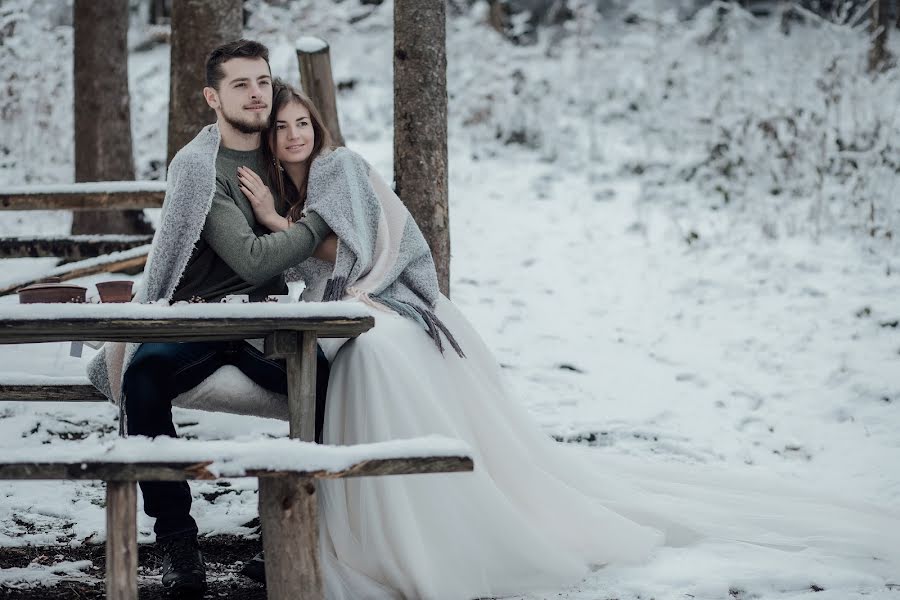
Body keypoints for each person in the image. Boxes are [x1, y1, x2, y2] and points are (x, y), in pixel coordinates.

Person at [239, 80, 900, 599]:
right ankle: (359, 518)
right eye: (283, 127)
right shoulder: (284, 186)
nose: (296, 135)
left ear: (318, 128)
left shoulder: (341, 166)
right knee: (351, 350)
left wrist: (275, 224)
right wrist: (270, 230)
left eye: (303, 123)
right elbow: (297, 263)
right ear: (268, 139)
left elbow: (356, 247)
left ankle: (414, 527)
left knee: (373, 352)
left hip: (388, 298)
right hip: (344, 305)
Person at [87, 40, 336, 596]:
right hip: (196, 319)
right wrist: (317, 224)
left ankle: (291, 534)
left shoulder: (284, 151)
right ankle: (178, 543)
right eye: (240, 85)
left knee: (327, 383)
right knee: (143, 380)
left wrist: (313, 215)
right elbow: (252, 258)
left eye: (263, 82)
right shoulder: (200, 166)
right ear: (212, 96)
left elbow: (331, 197)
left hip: (265, 319)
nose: (256, 95)